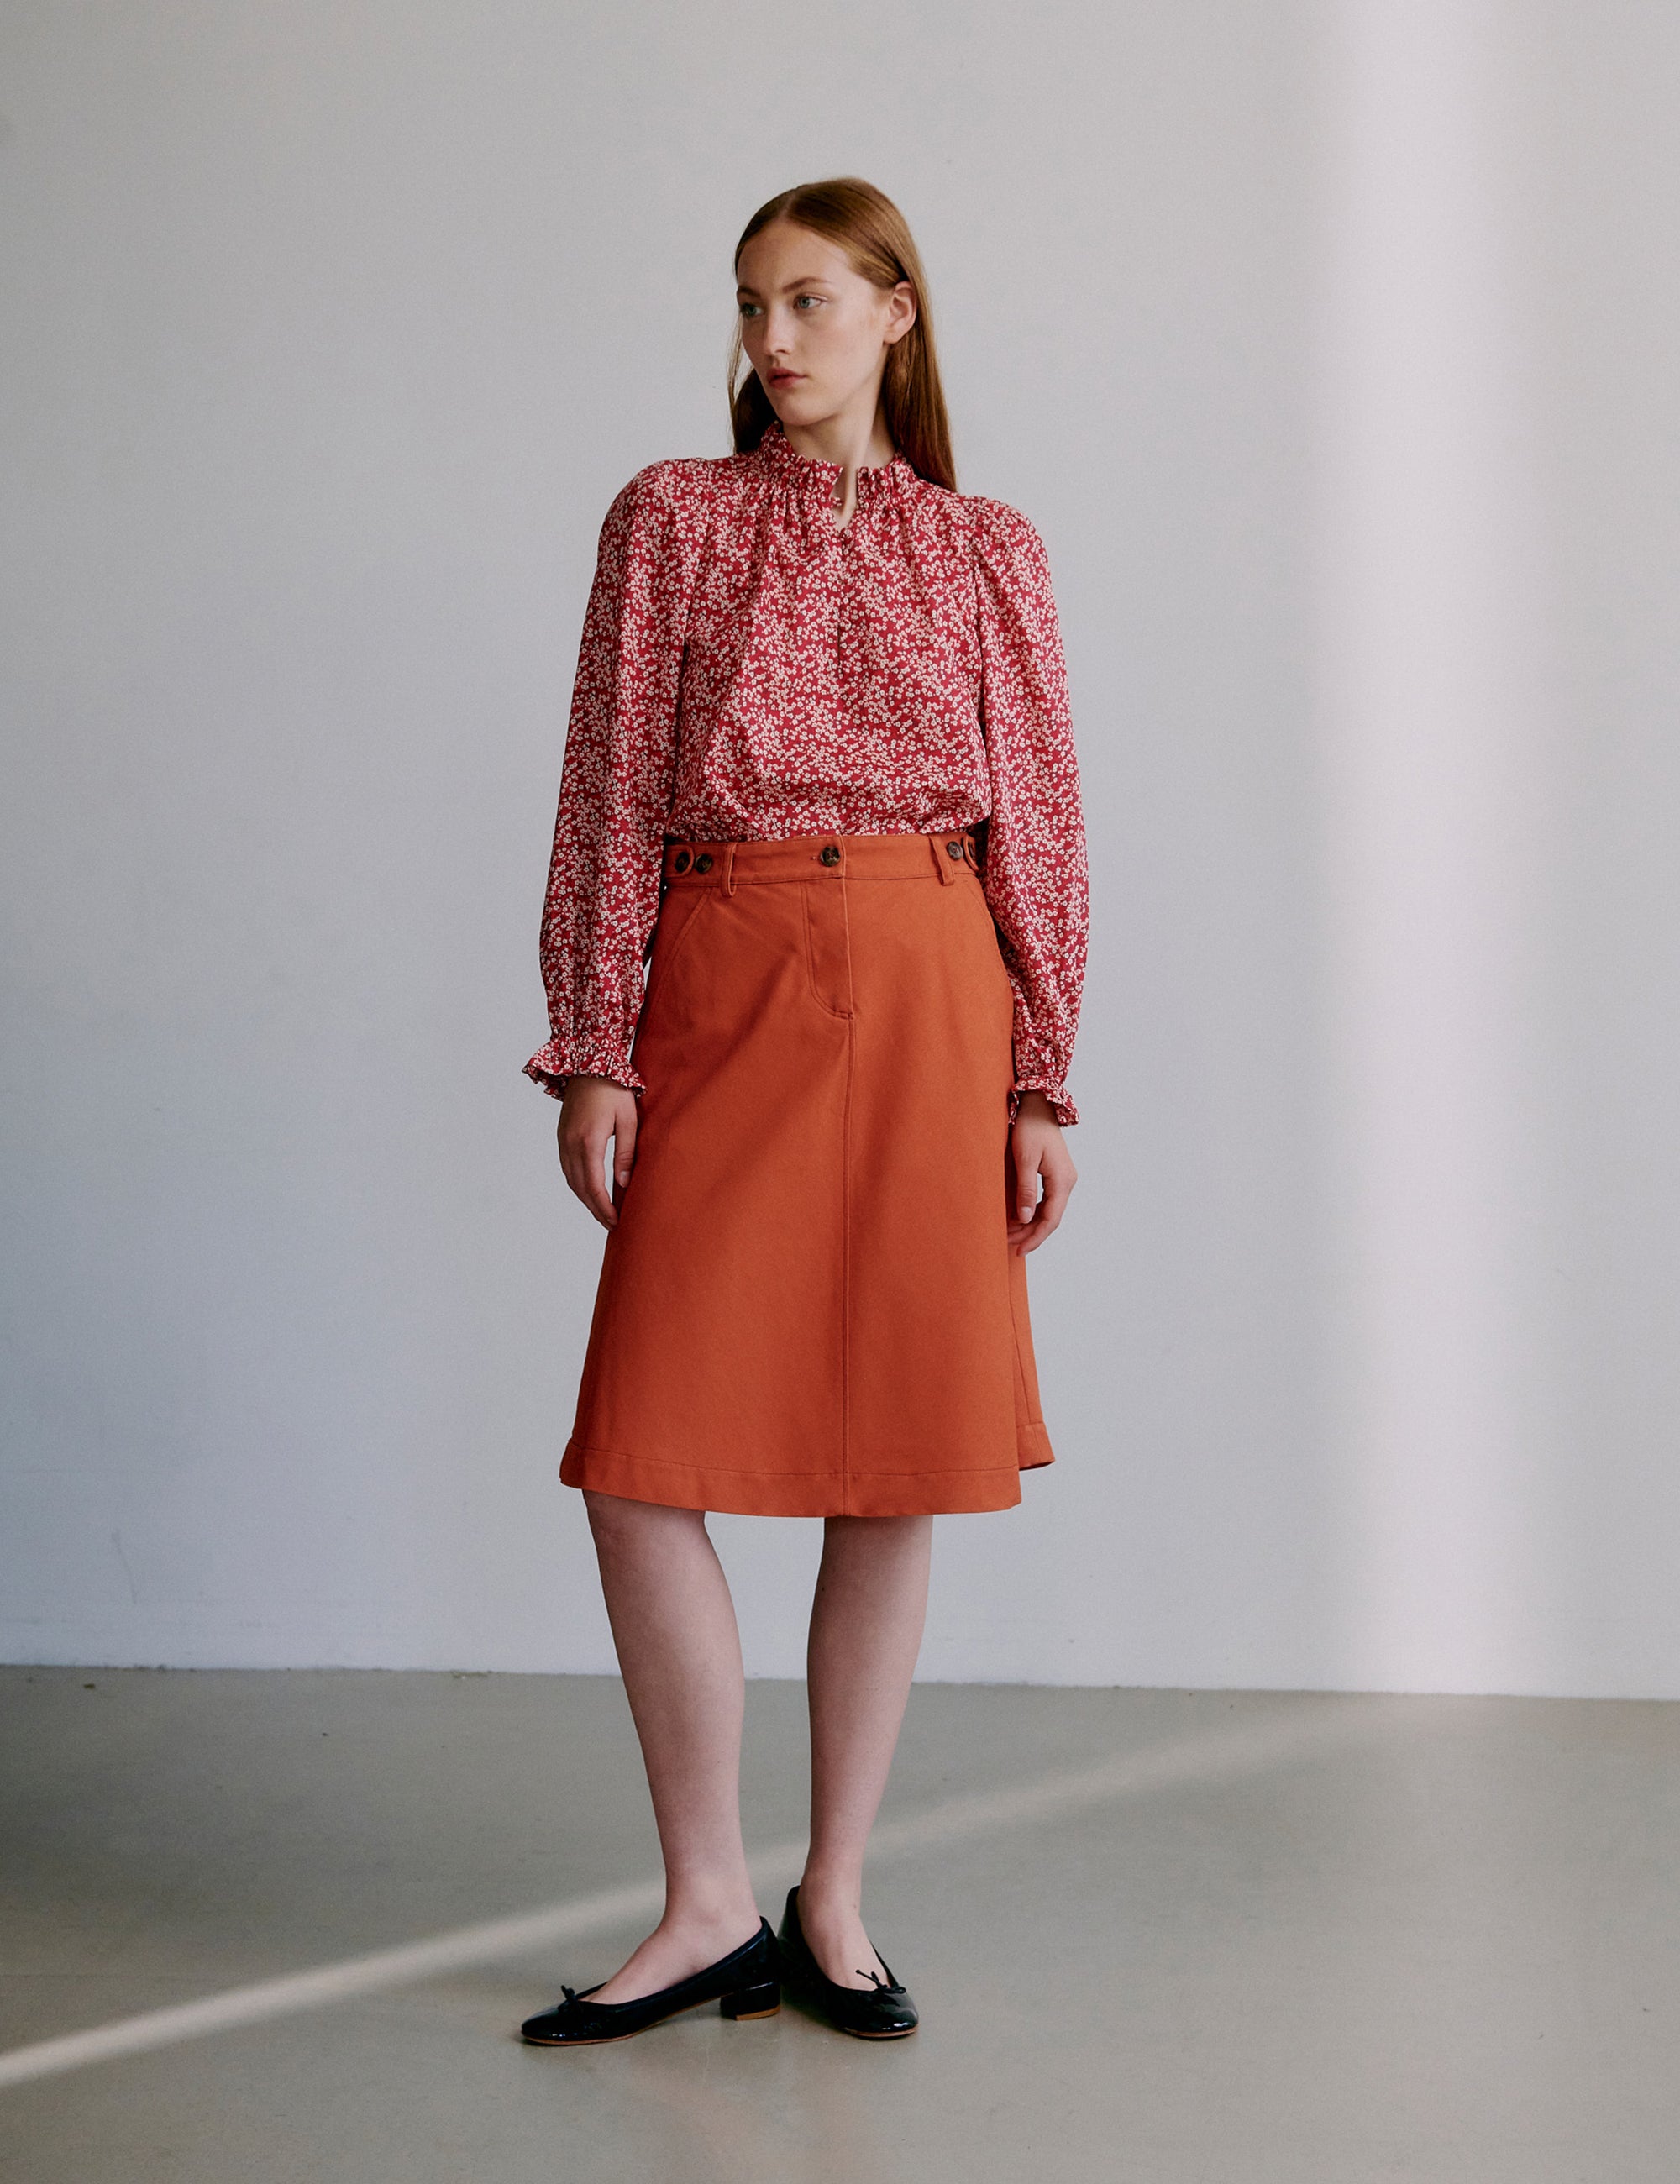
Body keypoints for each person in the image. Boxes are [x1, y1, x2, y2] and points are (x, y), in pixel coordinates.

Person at [517, 177, 1089, 2047]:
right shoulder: (671, 519)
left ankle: (829, 1897)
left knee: (891, 1453)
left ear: (897, 312)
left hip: (934, 979)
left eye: (809, 301)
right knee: (640, 1455)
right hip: (728, 965)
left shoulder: (985, 547)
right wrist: (595, 1039)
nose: (770, 340)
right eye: (752, 305)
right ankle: (700, 1899)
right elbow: (609, 784)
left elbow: (1045, 821)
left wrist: (1039, 1071)